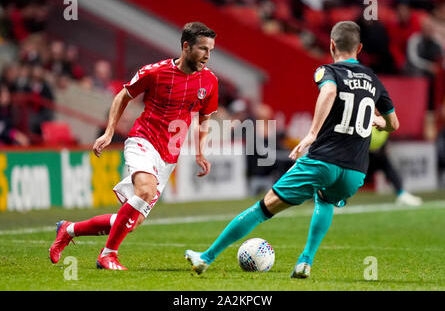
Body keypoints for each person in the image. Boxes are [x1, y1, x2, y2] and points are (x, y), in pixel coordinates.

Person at [185, 21, 399, 278]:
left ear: (331, 45)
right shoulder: (373, 80)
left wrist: (311, 134)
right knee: (326, 199)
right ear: (360, 48)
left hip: (323, 162)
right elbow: (393, 123)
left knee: (263, 209)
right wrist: (378, 121)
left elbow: (329, 92)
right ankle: (305, 262)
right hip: (355, 172)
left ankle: (205, 258)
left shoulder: (327, 70)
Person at [49, 22, 218, 270]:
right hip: (144, 140)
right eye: (203, 48)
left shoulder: (210, 81)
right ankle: (108, 254)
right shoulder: (155, 72)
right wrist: (108, 133)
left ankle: (69, 229)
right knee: (145, 191)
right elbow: (122, 96)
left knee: (131, 220)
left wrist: (201, 152)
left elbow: (205, 117)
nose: (207, 55)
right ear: (185, 46)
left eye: (210, 50)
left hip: (168, 158)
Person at [367, 126, 423, 206]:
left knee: (389, 169)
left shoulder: (387, 119)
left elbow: (386, 132)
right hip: (362, 154)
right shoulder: (368, 117)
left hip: (377, 154)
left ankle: (401, 193)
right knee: (352, 176)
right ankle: (342, 198)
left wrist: (385, 146)